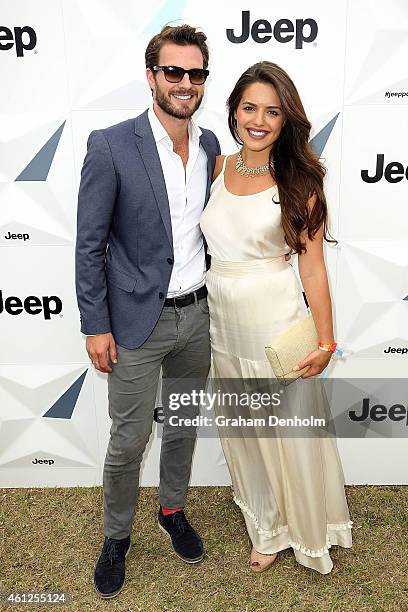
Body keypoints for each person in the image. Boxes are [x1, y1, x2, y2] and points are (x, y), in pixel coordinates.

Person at [75, 24, 220, 598]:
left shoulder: (210, 146)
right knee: (130, 439)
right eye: (174, 72)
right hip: (138, 322)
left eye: (196, 73)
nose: (185, 83)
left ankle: (172, 510)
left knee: (181, 425)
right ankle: (116, 537)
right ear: (152, 76)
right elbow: (90, 245)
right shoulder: (111, 144)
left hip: (197, 317)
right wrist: (95, 324)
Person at [200, 61, 353, 574]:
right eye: (249, 108)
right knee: (244, 431)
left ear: (286, 121)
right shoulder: (215, 168)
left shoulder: (298, 179)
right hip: (222, 322)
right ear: (233, 112)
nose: (258, 120)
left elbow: (313, 271)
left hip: (276, 322)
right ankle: (266, 526)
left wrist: (326, 342)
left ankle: (309, 529)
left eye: (272, 111)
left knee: (288, 432)